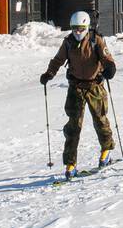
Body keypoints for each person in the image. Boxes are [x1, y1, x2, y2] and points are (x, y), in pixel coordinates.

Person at [40, 11, 116, 179]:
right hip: (76, 88)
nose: (77, 32)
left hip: (95, 86)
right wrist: (49, 74)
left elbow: (107, 58)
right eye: (75, 29)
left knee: (100, 120)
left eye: (81, 29)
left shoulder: (96, 40)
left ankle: (106, 151)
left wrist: (110, 68)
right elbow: (58, 60)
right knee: (73, 127)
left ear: (87, 27)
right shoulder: (68, 43)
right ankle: (70, 164)